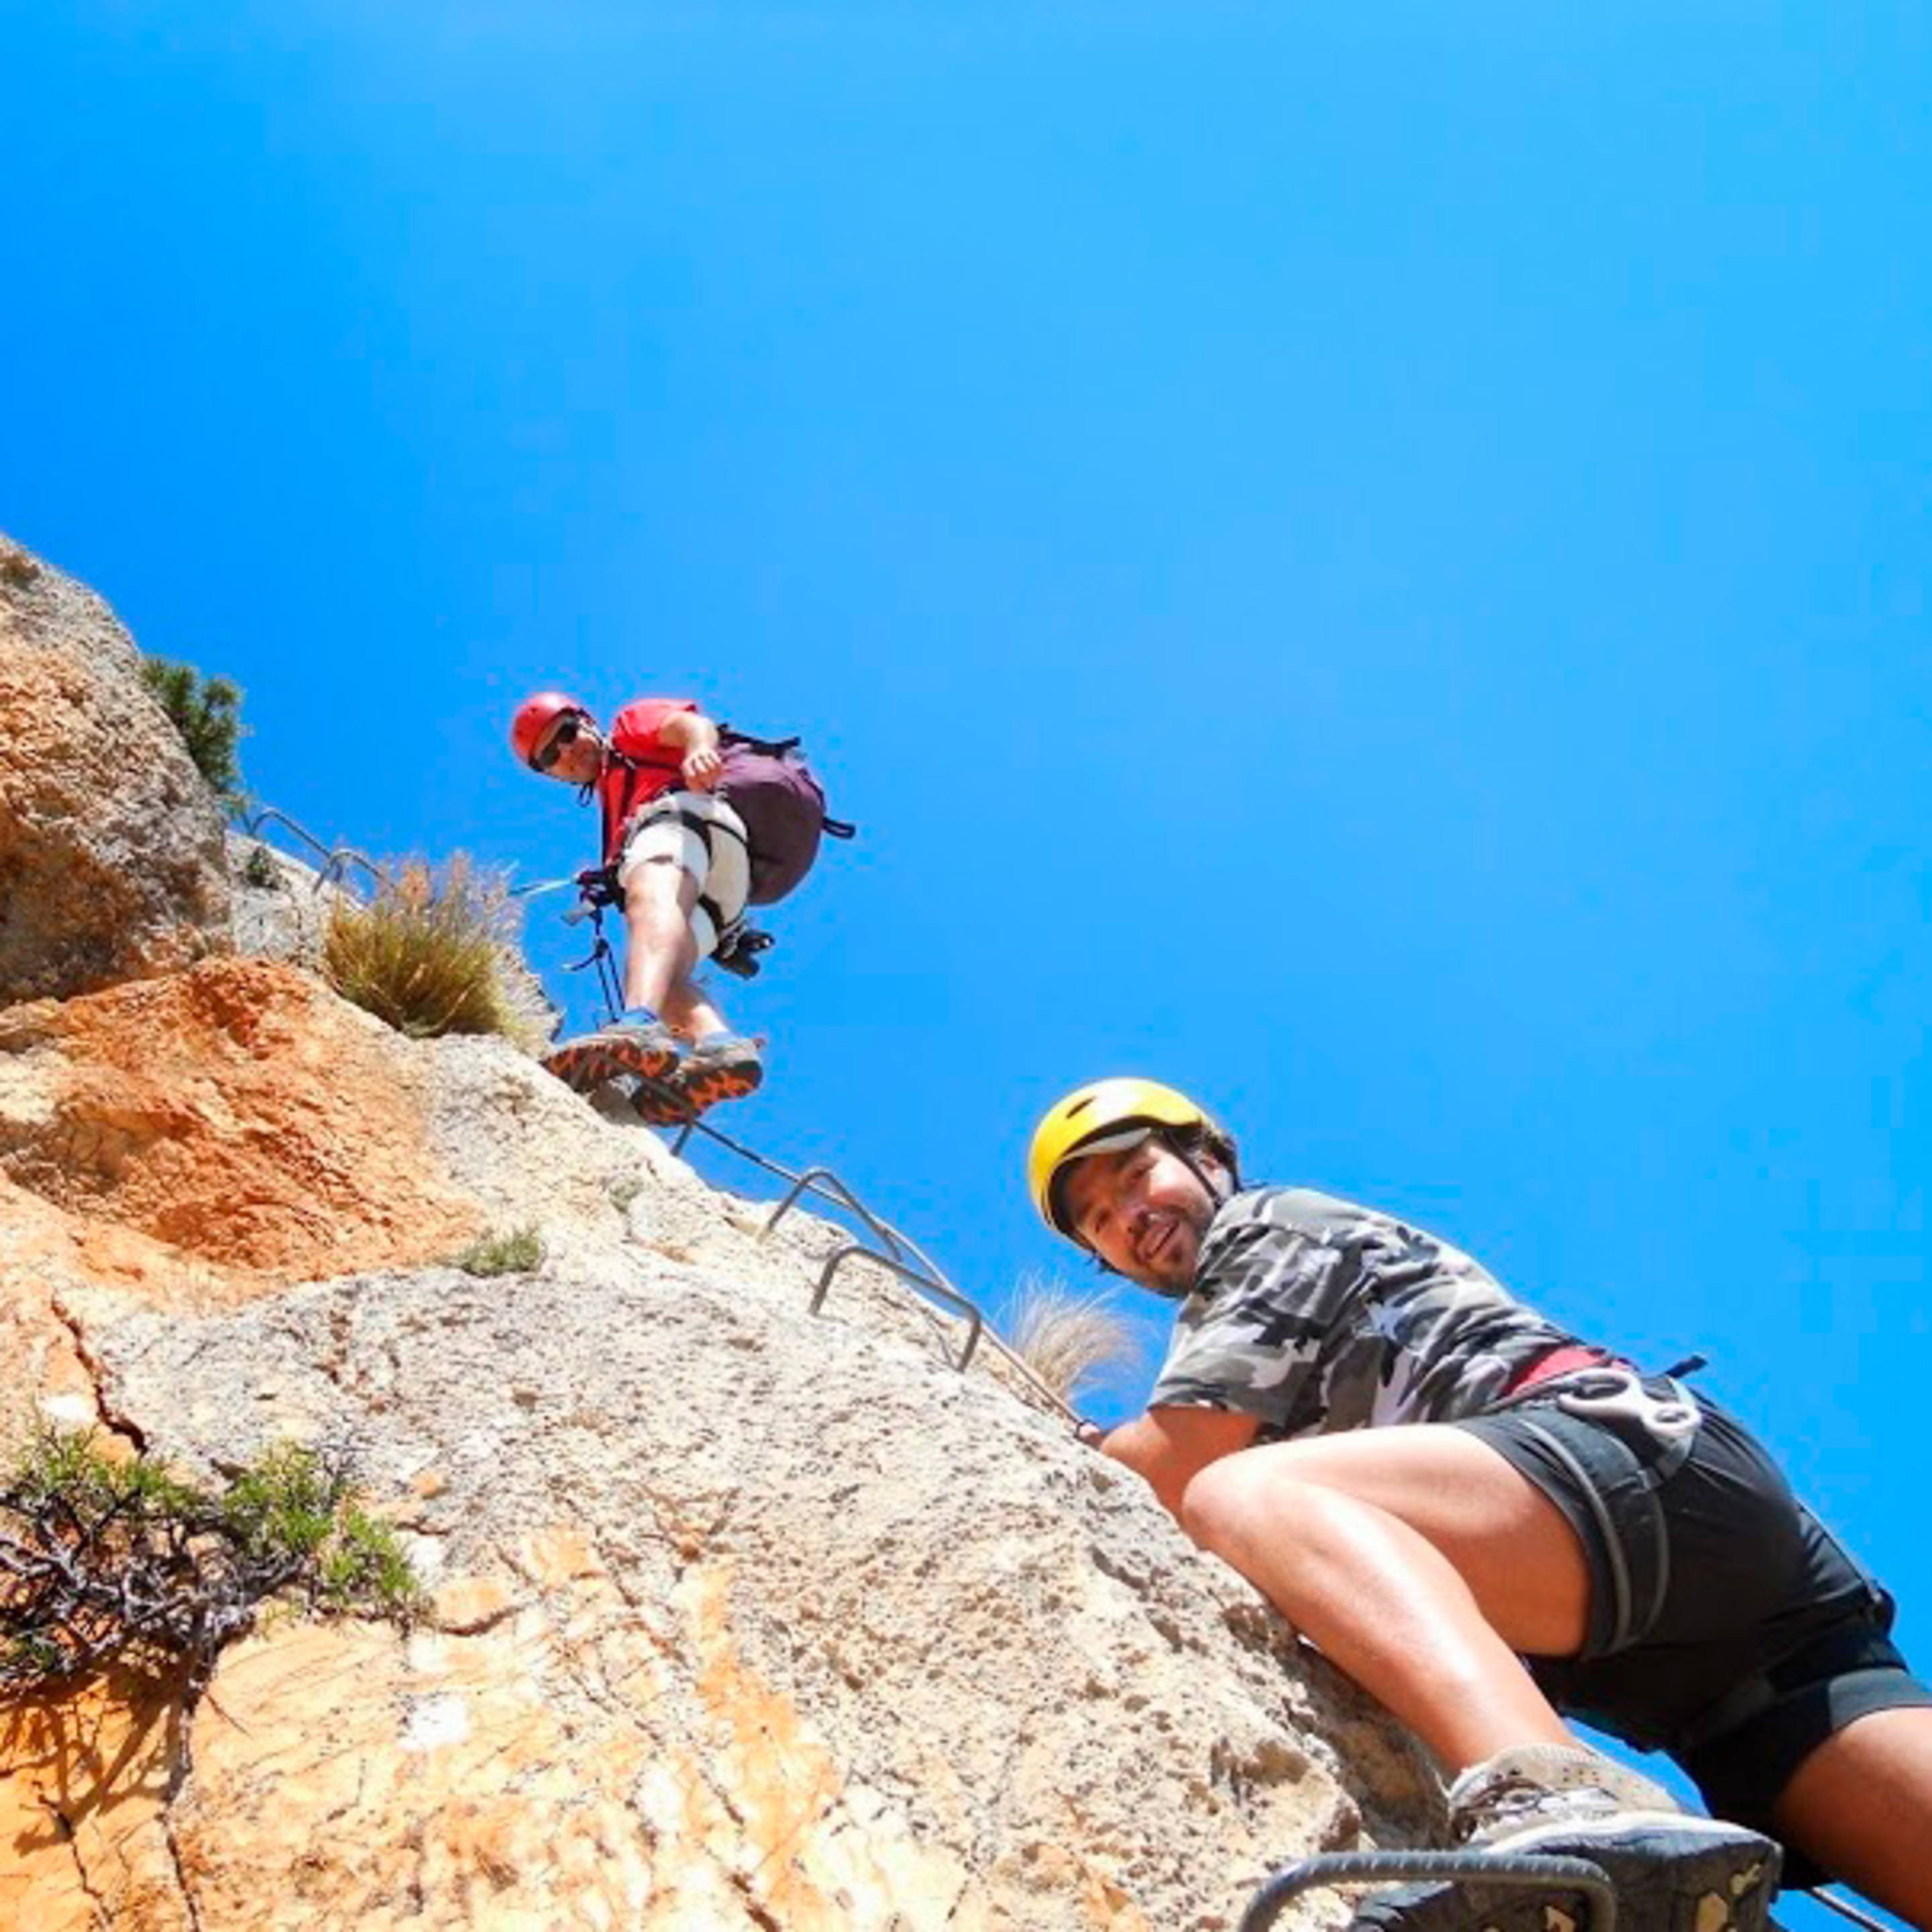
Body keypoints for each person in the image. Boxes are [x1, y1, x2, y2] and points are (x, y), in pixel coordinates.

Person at [1027, 1078, 1932, 1932]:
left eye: (1137, 1174)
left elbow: (1178, 1463)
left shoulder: (1267, 1230)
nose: (1131, 1217)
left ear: (1207, 1158)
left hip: (1623, 1479)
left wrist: (1048, 1438)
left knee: (1244, 1495)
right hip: (1702, 1620)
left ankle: (1564, 1800)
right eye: (1100, 1220)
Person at [511, 691, 765, 1118]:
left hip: (690, 820)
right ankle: (720, 1046)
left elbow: (689, 726)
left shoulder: (629, 727)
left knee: (647, 900)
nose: (568, 750)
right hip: (725, 887)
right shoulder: (616, 808)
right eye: (552, 755)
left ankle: (636, 1028)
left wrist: (700, 749)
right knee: (665, 974)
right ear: (553, 775)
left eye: (568, 733)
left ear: (588, 722)